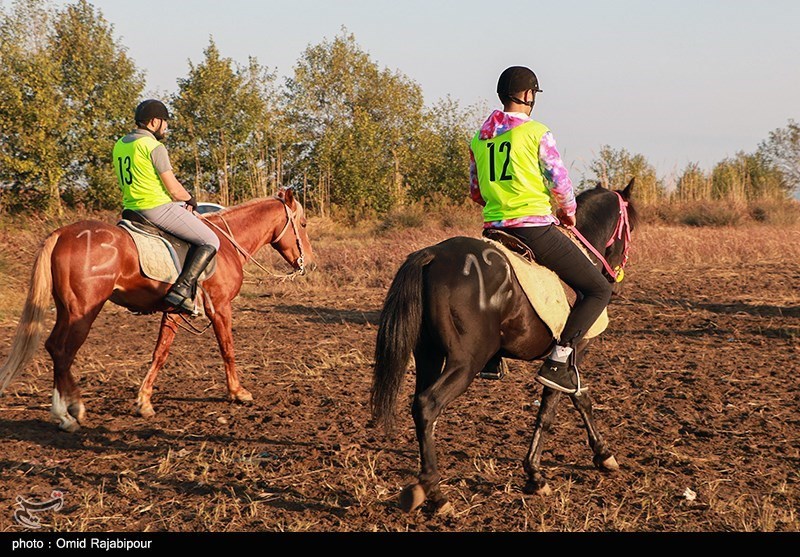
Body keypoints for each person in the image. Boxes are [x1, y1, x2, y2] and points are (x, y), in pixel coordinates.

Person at [469, 66, 613, 394]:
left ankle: (490, 353)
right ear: (528, 95)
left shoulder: (480, 138)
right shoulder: (536, 132)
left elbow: (475, 191)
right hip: (533, 229)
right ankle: (559, 361)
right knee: (597, 290)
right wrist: (569, 214)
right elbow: (560, 182)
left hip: (493, 232)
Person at [112, 99, 220, 316]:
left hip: (131, 211)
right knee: (211, 240)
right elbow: (174, 190)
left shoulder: (120, 144)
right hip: (156, 208)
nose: (166, 127)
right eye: (165, 122)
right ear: (154, 122)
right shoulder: (154, 146)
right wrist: (191, 200)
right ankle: (181, 291)